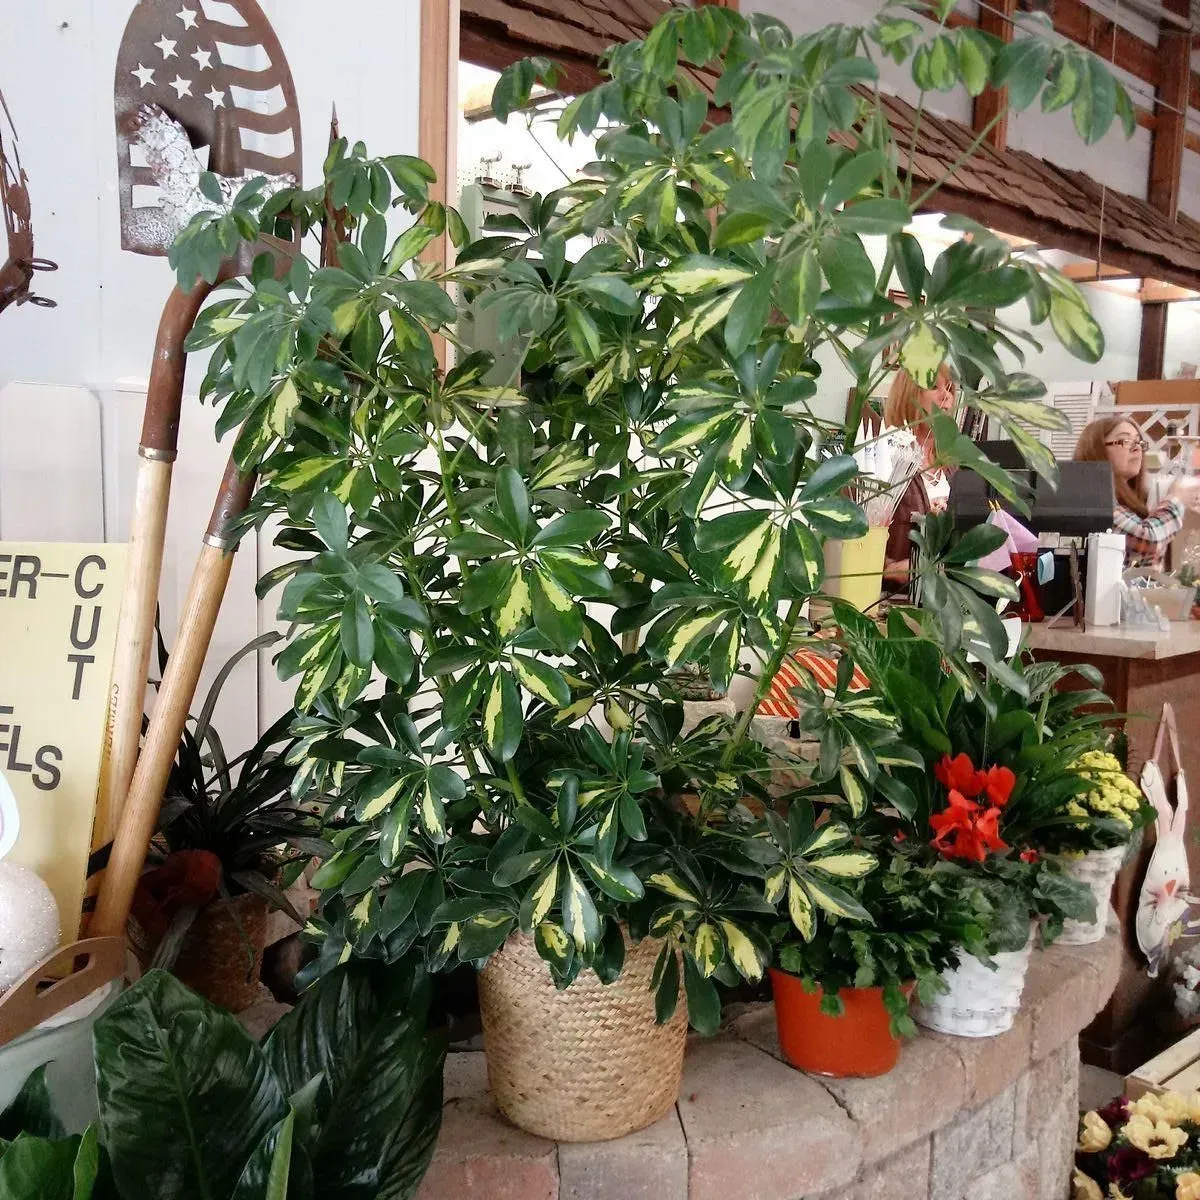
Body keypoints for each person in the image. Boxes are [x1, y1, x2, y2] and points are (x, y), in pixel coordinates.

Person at [1074, 416, 1200, 568]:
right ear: (1096, 450)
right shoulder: (1093, 501)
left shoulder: (1134, 500)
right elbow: (1149, 540)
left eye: (1139, 441)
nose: (1137, 447)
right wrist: (1177, 497)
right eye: (1125, 441)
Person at [882, 364, 957, 584]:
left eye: (950, 389)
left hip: (947, 595)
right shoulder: (885, 458)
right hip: (893, 599)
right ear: (909, 395)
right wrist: (893, 569)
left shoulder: (953, 464)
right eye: (934, 387)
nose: (946, 396)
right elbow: (854, 540)